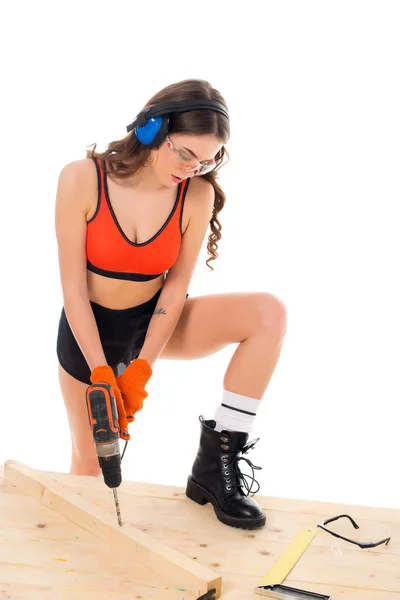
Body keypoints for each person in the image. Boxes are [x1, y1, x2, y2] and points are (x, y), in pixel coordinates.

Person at [55, 78, 287, 530]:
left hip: (157, 323)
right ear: (151, 129)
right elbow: (72, 289)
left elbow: (176, 287)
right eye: (185, 154)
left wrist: (142, 366)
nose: (193, 169)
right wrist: (104, 372)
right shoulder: (83, 179)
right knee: (89, 473)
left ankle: (215, 465)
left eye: (207, 160)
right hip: (90, 332)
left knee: (268, 314)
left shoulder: (195, 194)